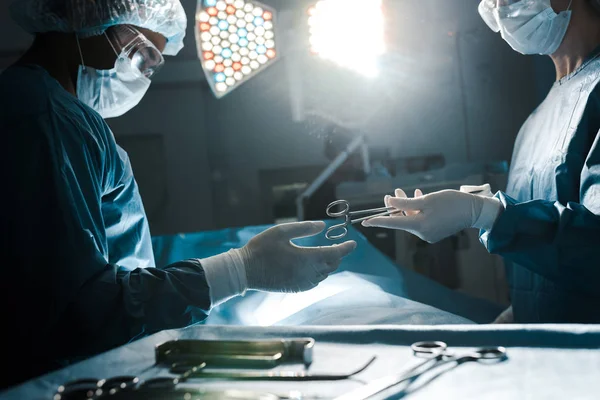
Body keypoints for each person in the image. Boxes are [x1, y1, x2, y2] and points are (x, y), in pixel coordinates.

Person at [0, 0, 356, 388]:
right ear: (90, 19)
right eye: (143, 55)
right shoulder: (45, 119)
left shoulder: (57, 115)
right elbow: (78, 313)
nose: (147, 73)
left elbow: (104, 274)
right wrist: (240, 270)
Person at [363, 0, 600, 324]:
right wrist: (517, 317)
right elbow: (545, 267)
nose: (498, 6)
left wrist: (485, 213)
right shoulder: (533, 124)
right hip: (552, 356)